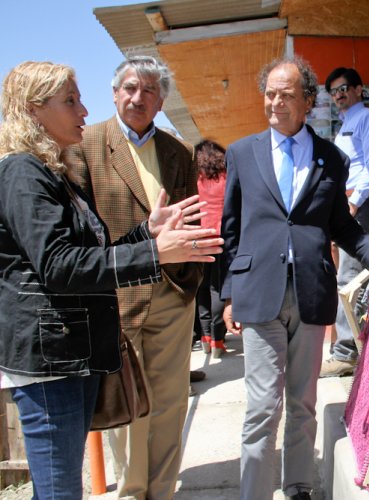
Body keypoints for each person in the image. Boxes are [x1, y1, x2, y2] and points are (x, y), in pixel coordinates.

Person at [0, 61, 222, 500]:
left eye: (80, 99)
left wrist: (148, 232)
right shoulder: (25, 174)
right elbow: (61, 266)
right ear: (33, 110)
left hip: (76, 350)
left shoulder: (53, 172)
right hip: (54, 358)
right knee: (62, 486)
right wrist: (153, 252)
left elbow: (89, 249)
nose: (84, 110)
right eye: (70, 101)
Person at [220, 56, 369, 500]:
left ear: (307, 101)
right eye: (270, 93)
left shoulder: (331, 158)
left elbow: (342, 225)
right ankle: (254, 493)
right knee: (263, 406)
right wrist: (228, 294)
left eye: (286, 94)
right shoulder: (242, 153)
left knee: (303, 402)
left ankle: (299, 485)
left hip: (310, 291)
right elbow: (231, 230)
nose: (276, 102)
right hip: (259, 292)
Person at [66, 55, 203, 499]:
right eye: (128, 87)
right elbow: (79, 232)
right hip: (118, 296)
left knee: (169, 404)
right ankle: (131, 493)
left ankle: (161, 492)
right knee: (128, 406)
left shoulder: (178, 152)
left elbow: (191, 218)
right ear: (113, 92)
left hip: (172, 292)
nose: (136, 97)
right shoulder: (84, 145)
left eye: (147, 90)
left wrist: (190, 279)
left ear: (161, 100)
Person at [320, 67, 369, 378]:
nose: (339, 95)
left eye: (344, 88)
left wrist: (353, 203)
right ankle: (356, 346)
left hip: (362, 202)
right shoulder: (345, 125)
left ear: (360, 89)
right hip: (347, 202)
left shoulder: (368, 118)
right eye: (333, 91)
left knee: (350, 275)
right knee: (350, 275)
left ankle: (346, 352)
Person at [194, 140, 228, 358]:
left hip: (199, 237)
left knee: (202, 288)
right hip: (223, 236)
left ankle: (205, 337)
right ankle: (218, 340)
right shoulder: (227, 175)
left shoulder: (194, 177)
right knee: (218, 289)